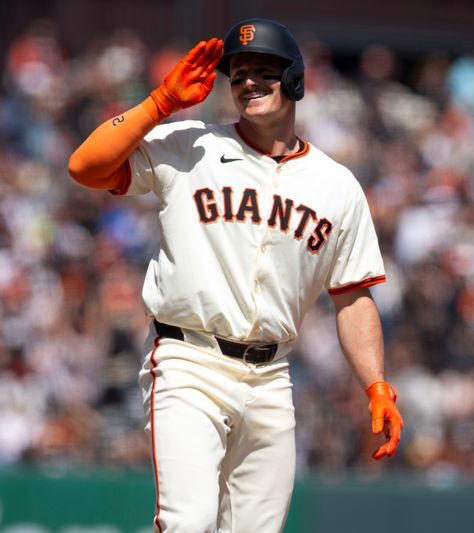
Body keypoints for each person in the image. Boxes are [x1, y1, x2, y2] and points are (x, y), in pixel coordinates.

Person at [68, 18, 403, 533]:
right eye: (239, 73)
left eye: (264, 71)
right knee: (189, 521)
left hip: (271, 379)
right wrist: (159, 104)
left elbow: (353, 297)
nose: (249, 82)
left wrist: (376, 384)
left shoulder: (337, 186)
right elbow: (86, 167)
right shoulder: (189, 146)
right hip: (188, 361)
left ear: (294, 80)